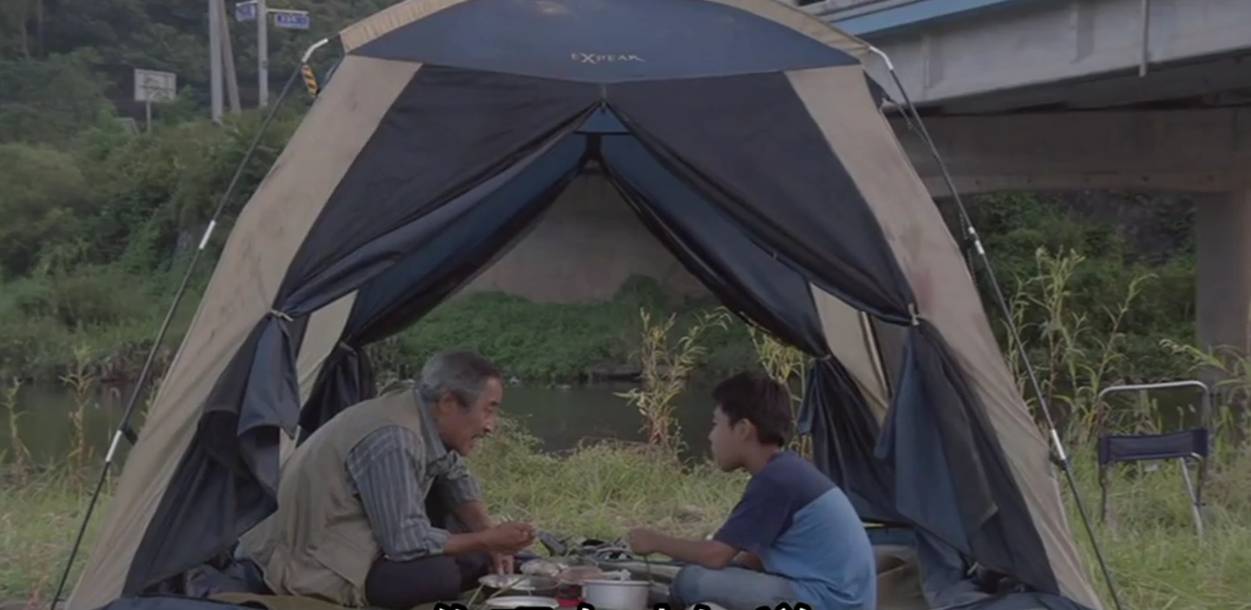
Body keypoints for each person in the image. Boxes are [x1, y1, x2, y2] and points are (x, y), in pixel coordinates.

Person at [237, 351, 536, 609]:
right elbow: (405, 543)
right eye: (488, 410)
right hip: (305, 561)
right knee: (438, 576)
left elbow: (454, 475)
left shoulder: (420, 414)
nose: (490, 427)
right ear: (448, 402)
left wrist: (487, 533)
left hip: (348, 538)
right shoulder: (393, 439)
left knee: (473, 551)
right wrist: (485, 540)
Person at [626, 372, 877, 610]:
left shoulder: (777, 480)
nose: (711, 436)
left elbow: (716, 556)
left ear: (743, 429)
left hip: (828, 602)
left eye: (716, 424)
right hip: (838, 599)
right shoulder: (787, 470)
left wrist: (654, 541)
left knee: (692, 581)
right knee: (712, 573)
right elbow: (754, 557)